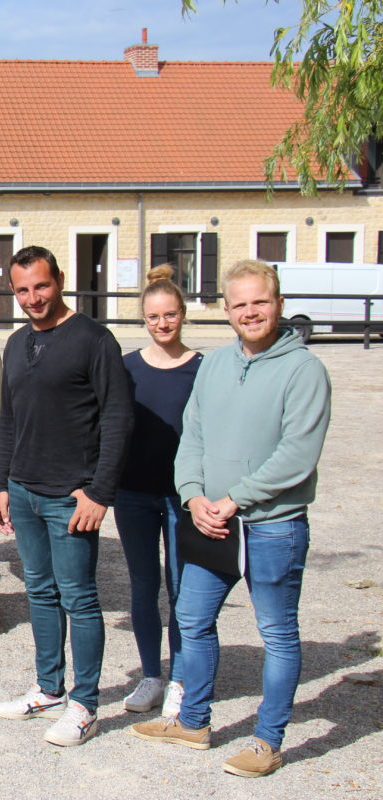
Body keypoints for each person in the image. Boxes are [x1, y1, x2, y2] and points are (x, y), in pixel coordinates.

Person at [130, 259, 331, 779]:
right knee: (193, 620)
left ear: (279, 304)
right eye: (239, 304)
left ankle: (268, 740)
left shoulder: (304, 369)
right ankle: (193, 721)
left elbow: (297, 454)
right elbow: (190, 436)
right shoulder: (216, 365)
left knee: (277, 633)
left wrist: (236, 497)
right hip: (210, 520)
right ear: (225, 311)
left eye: (259, 302)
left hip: (273, 525)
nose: (250, 312)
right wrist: (194, 496)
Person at [0, 245, 132, 747]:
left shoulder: (94, 340)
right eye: (23, 289)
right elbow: (8, 418)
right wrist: (0, 485)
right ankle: (49, 688)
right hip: (25, 492)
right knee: (40, 594)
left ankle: (85, 705)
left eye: (41, 286)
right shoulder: (16, 343)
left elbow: (118, 417)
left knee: (79, 599)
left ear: (60, 281)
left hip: (71, 499)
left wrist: (100, 492)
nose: (33, 297)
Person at [114, 265, 202, 717]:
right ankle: (151, 674)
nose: (162, 324)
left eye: (170, 315)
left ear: (182, 315)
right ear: (143, 320)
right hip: (133, 494)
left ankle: (183, 678)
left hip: (183, 498)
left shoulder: (203, 369)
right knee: (144, 586)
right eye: (153, 317)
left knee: (183, 588)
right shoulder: (126, 369)